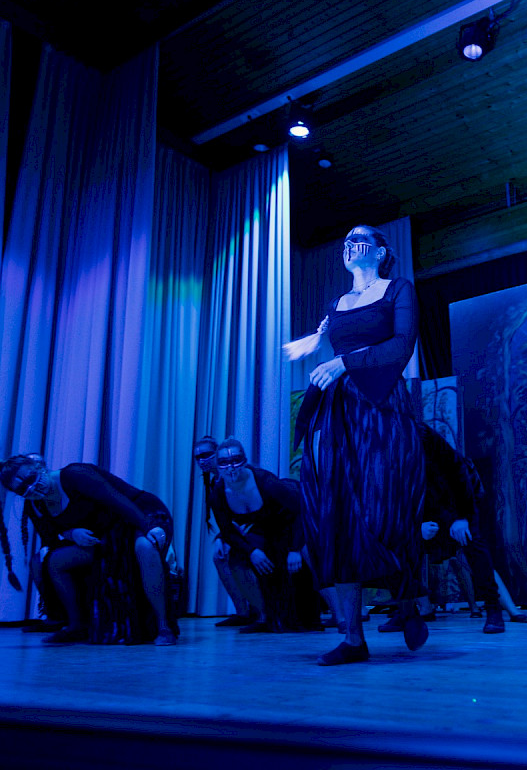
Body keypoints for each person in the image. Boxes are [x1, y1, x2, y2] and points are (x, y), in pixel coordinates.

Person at [290, 224, 426, 665]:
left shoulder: (397, 290)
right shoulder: (336, 304)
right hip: (338, 413)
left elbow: (401, 346)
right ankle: (353, 637)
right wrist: (328, 363)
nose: (350, 245)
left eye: (360, 239)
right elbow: (328, 351)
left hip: (381, 407)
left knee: (384, 510)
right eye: (345, 241)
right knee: (337, 518)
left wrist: (344, 362)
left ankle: (406, 597)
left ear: (381, 251)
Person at [0, 454, 177, 646]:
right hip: (108, 535)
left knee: (145, 547)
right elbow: (50, 538)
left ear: (39, 467)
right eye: (23, 489)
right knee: (55, 560)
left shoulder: (74, 475)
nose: (32, 488)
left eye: (31, 478)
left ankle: (163, 626)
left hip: (139, 514)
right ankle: (75, 624)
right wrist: (71, 533)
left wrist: (148, 526)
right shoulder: (35, 504)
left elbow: (117, 501)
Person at [384, 424, 507, 634]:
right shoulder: (384, 446)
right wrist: (415, 526)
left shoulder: (422, 436)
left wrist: (462, 518)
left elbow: (459, 473)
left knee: (471, 542)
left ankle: (493, 609)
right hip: (425, 505)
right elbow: (397, 492)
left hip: (457, 500)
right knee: (402, 548)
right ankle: (406, 611)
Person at [207, 438, 322, 633]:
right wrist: (251, 551)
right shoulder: (218, 494)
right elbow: (227, 530)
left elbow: (302, 511)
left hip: (291, 526)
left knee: (307, 556)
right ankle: (264, 616)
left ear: (245, 460)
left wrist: (295, 549)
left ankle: (339, 616)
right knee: (235, 559)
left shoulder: (266, 482)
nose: (231, 468)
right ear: (217, 466)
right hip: (262, 532)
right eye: (224, 463)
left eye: (236, 460)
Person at [194, 435, 257, 627]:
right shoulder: (214, 481)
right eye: (198, 457)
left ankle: (256, 609)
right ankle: (243, 611)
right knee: (219, 556)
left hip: (255, 524)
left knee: (231, 554)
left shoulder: (235, 474)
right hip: (237, 528)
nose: (202, 460)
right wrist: (223, 536)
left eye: (206, 455)